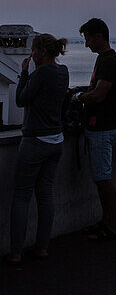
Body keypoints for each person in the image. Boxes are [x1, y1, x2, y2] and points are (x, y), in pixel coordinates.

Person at [5, 33, 69, 266]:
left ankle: (15, 252)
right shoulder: (63, 72)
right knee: (45, 194)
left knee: (21, 196)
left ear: (41, 50)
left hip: (35, 141)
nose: (31, 54)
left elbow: (21, 99)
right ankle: (42, 247)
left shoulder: (41, 72)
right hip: (56, 139)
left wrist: (24, 73)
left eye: (33, 49)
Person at [73, 18, 116, 240]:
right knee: (101, 176)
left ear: (98, 36)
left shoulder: (109, 61)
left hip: (102, 127)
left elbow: (99, 94)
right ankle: (107, 221)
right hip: (102, 126)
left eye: (88, 39)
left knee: (103, 177)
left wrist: (78, 97)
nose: (86, 45)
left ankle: (114, 225)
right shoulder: (107, 60)